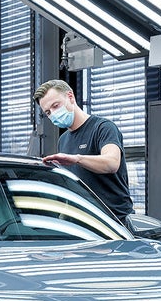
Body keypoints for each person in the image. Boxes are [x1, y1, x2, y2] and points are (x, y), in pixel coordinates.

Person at [33, 79, 134, 221]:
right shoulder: (63, 140)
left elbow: (112, 163)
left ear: (70, 97)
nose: (53, 114)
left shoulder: (103, 128)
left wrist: (78, 159)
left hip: (115, 221)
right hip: (85, 221)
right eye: (48, 112)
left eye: (56, 106)